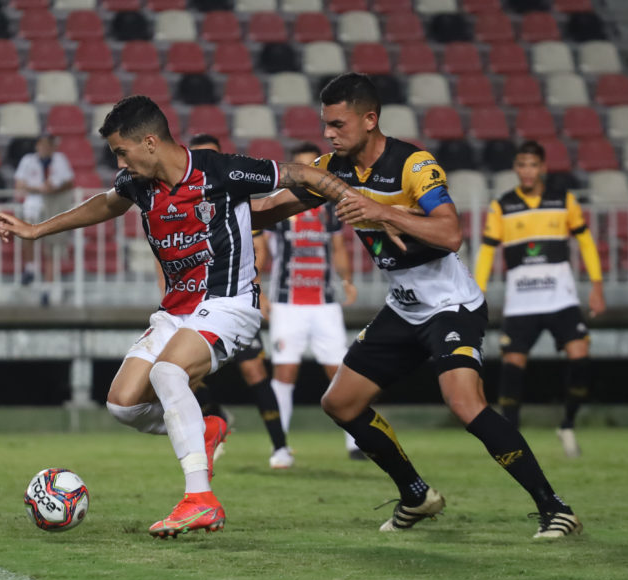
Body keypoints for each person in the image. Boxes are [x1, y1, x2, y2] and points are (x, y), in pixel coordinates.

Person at [0, 95, 367, 538]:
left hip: (228, 301)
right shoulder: (138, 183)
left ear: (150, 143)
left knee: (168, 373)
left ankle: (200, 499)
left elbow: (298, 174)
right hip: (176, 311)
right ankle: (205, 427)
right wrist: (37, 230)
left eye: (122, 152)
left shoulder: (219, 171)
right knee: (123, 405)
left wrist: (359, 202)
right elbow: (107, 203)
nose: (120, 163)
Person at [251, 73, 582, 538]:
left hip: (451, 305)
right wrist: (216, 209)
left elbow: (451, 233)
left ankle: (555, 507)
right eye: (326, 124)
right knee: (340, 404)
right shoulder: (333, 169)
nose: (329, 133)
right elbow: (271, 208)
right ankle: (415, 494)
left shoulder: (413, 164)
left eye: (338, 124)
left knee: (464, 402)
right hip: (405, 307)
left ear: (370, 119)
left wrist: (382, 212)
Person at [474, 140, 606, 458]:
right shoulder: (502, 206)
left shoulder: (563, 201)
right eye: (522, 165)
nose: (527, 171)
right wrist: (478, 292)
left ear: (543, 168)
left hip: (561, 299)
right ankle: (511, 441)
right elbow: (487, 252)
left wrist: (597, 286)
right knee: (513, 365)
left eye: (533, 165)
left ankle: (567, 425)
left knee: (580, 355)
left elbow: (586, 242)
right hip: (522, 302)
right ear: (515, 168)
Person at [182, 133, 293, 470]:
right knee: (183, 375)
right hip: (195, 301)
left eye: (213, 157)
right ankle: (216, 417)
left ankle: (280, 446)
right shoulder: (181, 204)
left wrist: (259, 291)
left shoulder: (235, 198)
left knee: (253, 370)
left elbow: (257, 249)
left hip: (234, 299)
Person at [262, 142, 362, 460]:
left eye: (313, 166)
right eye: (302, 167)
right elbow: (262, 250)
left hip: (324, 303)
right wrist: (258, 289)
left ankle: (355, 442)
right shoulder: (278, 205)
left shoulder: (329, 207)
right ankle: (279, 446)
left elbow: (339, 248)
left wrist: (346, 280)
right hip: (286, 303)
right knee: (285, 372)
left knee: (340, 371)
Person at [13, 134, 74, 285]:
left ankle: (48, 285)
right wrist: (39, 189)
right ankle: (30, 268)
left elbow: (69, 183)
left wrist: (54, 189)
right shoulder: (28, 160)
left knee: (50, 247)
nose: (44, 148)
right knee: (27, 234)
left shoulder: (60, 160)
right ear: (37, 146)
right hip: (33, 204)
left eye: (48, 145)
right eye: (42, 145)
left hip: (54, 206)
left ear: (53, 147)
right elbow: (19, 185)